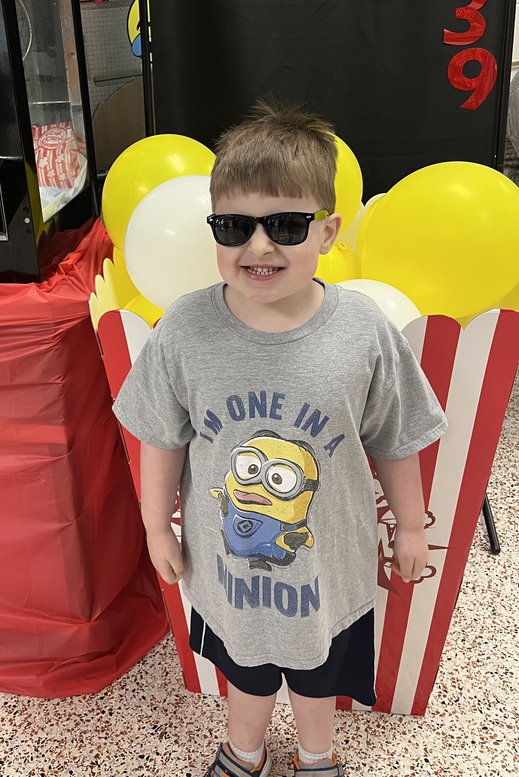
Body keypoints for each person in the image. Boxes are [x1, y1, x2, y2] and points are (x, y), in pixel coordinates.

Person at [112, 102, 447, 777]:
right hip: (227, 571)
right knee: (249, 673)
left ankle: (318, 753)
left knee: (319, 676)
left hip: (332, 568)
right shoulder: (185, 329)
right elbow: (160, 437)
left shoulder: (362, 330)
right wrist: (156, 528)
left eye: (286, 225)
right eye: (235, 226)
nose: (258, 247)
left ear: (327, 232)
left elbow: (396, 437)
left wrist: (411, 527)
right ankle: (244, 749)